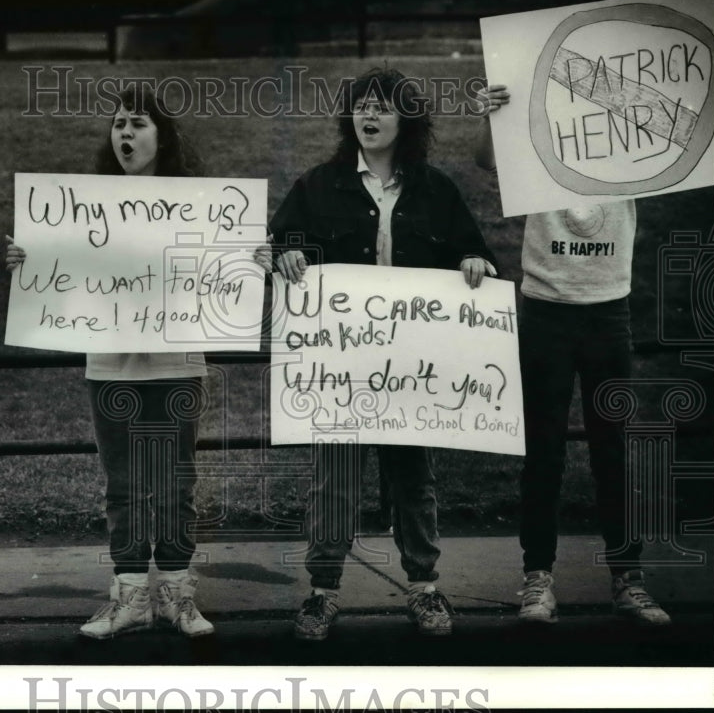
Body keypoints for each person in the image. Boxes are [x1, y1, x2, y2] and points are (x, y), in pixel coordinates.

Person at [269, 67, 497, 640]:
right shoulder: (319, 185)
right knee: (334, 479)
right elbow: (280, 245)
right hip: (339, 367)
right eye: (361, 107)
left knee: (412, 478)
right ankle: (322, 594)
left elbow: (473, 251)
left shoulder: (435, 188)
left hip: (411, 368)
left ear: (407, 121)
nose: (369, 116)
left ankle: (423, 588)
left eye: (383, 108)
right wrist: (288, 257)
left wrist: (473, 262)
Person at [6, 83, 214, 639]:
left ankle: (176, 596)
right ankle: (130, 599)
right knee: (122, 484)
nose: (126, 133)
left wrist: (252, 254)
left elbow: (223, 271)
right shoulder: (82, 203)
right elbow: (58, 270)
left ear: (161, 136)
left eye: (139, 123)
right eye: (119, 123)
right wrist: (26, 260)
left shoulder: (199, 201)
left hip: (176, 363)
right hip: (110, 366)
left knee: (175, 483)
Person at [473, 84, 671, 626]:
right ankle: (537, 579)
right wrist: (493, 118)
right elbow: (488, 161)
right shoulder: (543, 132)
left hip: (609, 309)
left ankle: (627, 579)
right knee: (543, 451)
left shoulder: (629, 134)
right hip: (546, 309)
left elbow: (680, 150)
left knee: (613, 449)